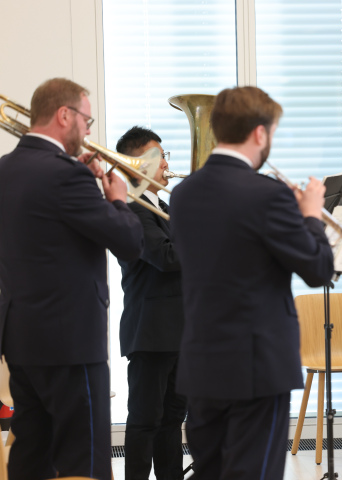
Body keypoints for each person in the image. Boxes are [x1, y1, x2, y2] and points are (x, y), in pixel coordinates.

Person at [170, 85, 334, 479]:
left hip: (201, 364)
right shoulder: (268, 195)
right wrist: (311, 215)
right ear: (259, 133)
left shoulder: (182, 193)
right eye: (273, 132)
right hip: (256, 367)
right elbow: (318, 269)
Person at [0, 77, 144, 480]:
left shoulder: (6, 169)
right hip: (71, 344)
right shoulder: (66, 176)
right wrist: (116, 198)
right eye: (87, 119)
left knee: (32, 454)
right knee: (85, 461)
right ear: (64, 115)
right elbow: (130, 243)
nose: (89, 130)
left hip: (22, 341)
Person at [116, 126, 187, 480]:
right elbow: (165, 257)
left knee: (173, 419)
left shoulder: (164, 206)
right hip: (152, 331)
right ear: (137, 164)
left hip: (179, 331)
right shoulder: (131, 208)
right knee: (145, 420)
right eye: (158, 158)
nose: (165, 166)